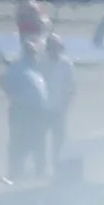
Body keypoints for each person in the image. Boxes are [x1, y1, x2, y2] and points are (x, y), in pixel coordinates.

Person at [3, 46, 50, 183]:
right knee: (19, 142)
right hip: (22, 111)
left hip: (37, 112)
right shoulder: (18, 68)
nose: (35, 56)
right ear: (28, 54)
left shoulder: (34, 69)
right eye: (33, 53)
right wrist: (17, 99)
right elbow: (7, 84)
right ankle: (15, 172)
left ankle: (39, 171)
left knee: (38, 142)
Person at [39, 36, 78, 174]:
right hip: (42, 109)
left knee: (59, 142)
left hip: (58, 110)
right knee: (39, 141)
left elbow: (71, 86)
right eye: (53, 48)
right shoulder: (41, 63)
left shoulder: (66, 64)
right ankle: (40, 169)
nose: (55, 51)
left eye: (58, 48)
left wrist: (66, 104)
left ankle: (58, 168)